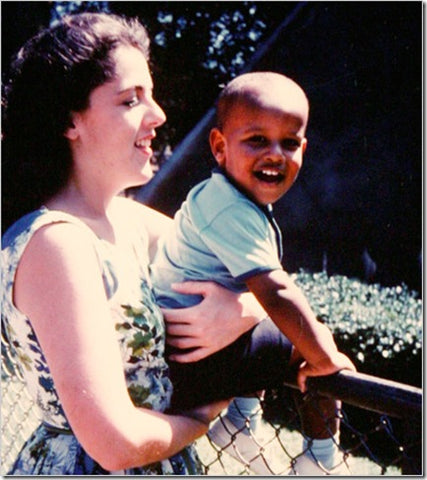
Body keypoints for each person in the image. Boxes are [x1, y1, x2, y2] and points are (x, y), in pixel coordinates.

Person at [0, 12, 269, 475]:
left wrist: (244, 310)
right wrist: (200, 417)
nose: (158, 115)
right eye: (130, 100)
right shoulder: (56, 243)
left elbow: (264, 275)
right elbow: (116, 442)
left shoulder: (127, 222)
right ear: (70, 121)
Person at [150, 72, 356, 474]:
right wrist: (325, 359)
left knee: (266, 327)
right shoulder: (230, 208)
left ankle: (240, 422)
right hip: (193, 358)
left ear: (303, 149)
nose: (276, 154)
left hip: (183, 354)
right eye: (258, 140)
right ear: (219, 146)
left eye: (290, 142)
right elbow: (275, 291)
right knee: (312, 343)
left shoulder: (223, 197)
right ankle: (320, 461)